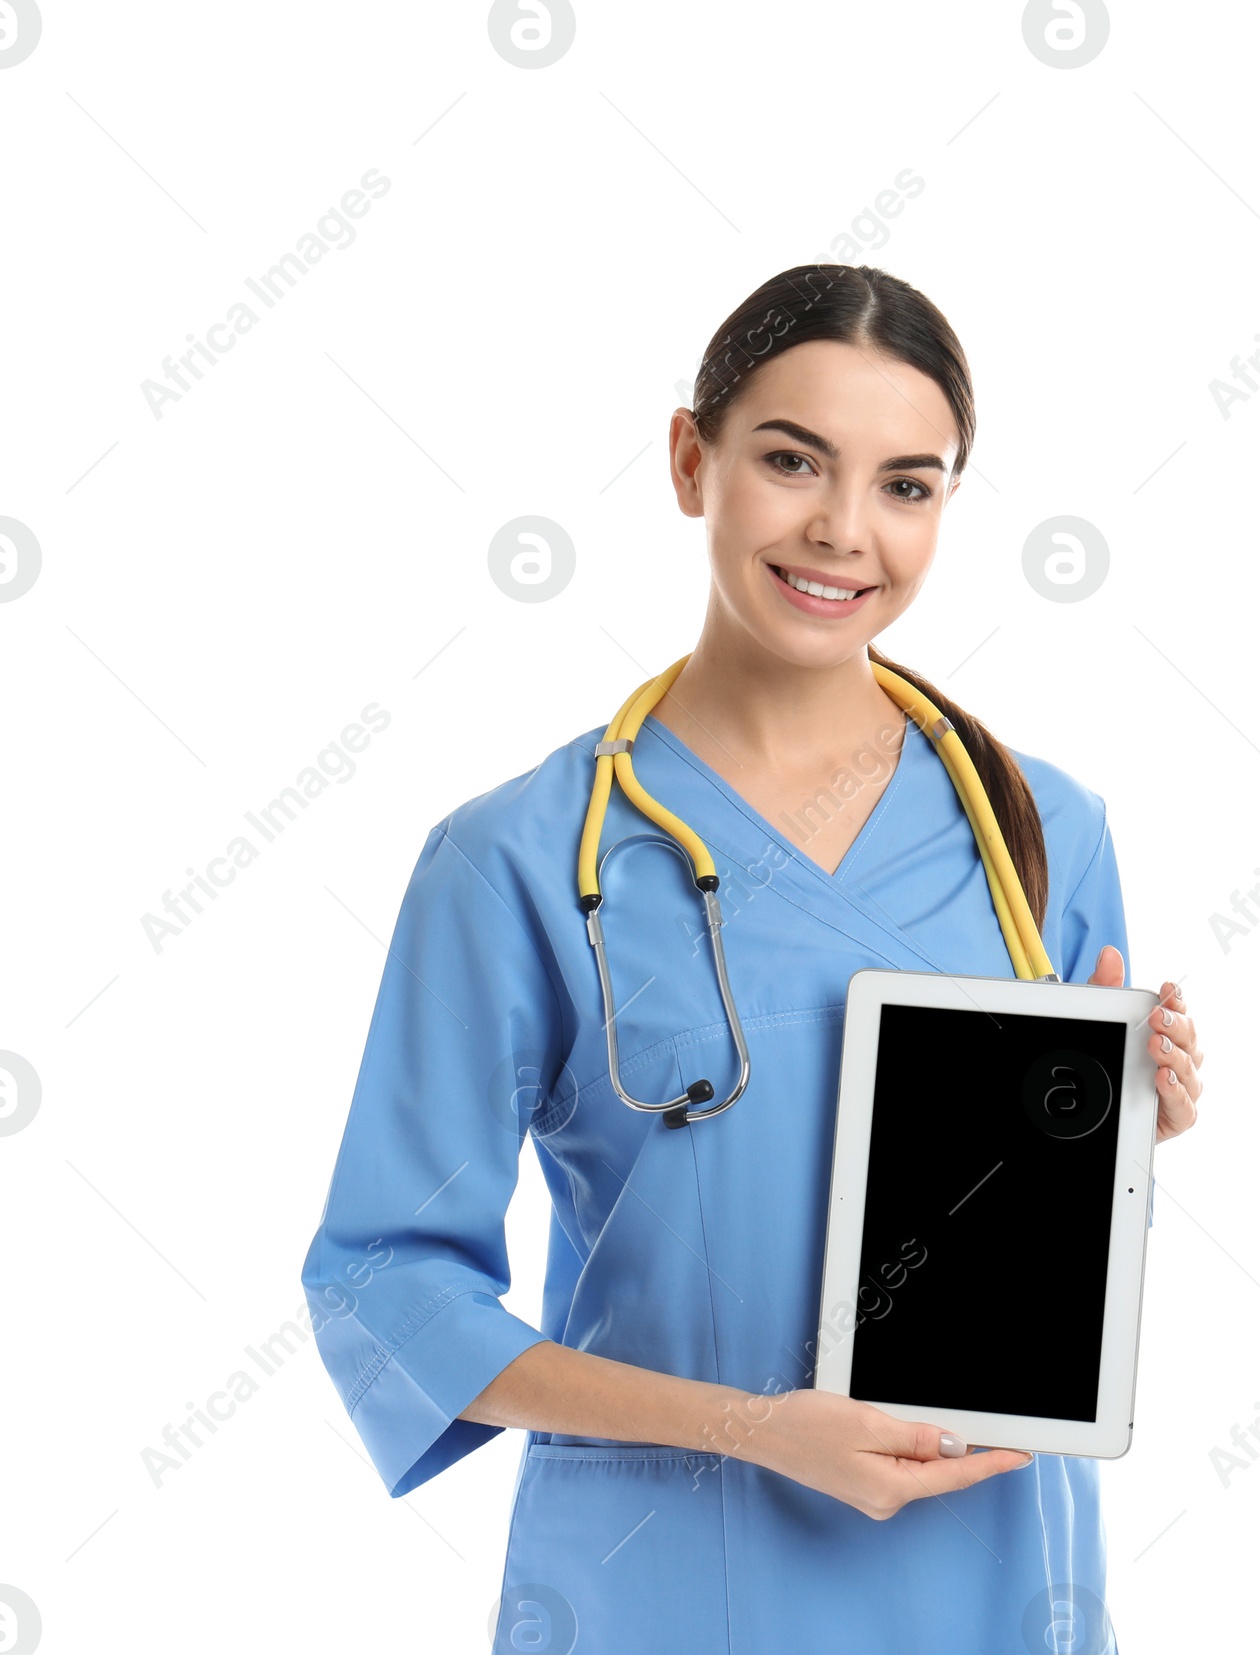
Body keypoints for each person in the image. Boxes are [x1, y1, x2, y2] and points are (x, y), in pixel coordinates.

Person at [301, 263, 1204, 1653]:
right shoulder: (521, 860)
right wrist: (753, 1429)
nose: (845, 533)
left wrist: (1131, 1114)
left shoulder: (1040, 829)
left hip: (991, 1566)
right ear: (689, 459)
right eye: (793, 462)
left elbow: (1038, 1238)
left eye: (908, 485)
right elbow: (387, 1283)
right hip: (667, 1577)